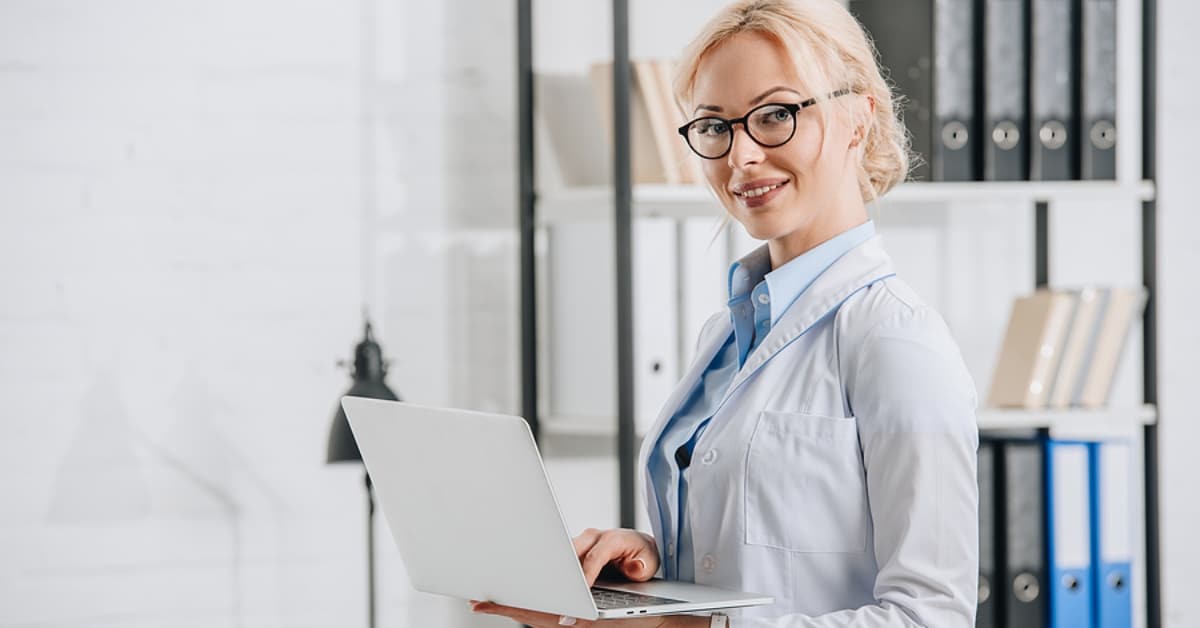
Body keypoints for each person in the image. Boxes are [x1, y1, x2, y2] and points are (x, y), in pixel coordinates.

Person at [473, 0, 979, 625]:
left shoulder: (894, 340)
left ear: (857, 117)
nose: (740, 158)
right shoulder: (728, 332)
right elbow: (761, 560)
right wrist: (651, 571)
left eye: (775, 115)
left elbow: (931, 616)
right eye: (715, 126)